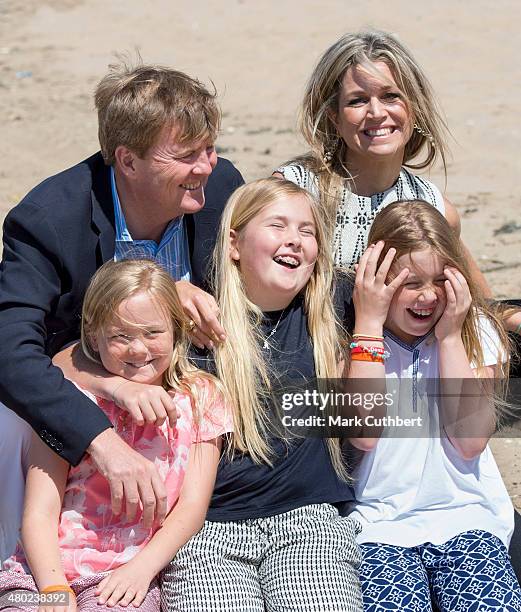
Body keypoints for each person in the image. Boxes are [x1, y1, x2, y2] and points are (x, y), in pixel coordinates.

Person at [0, 59, 243, 534]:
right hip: (92, 392)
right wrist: (101, 438)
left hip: (198, 400)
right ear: (128, 160)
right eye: (188, 154)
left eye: (210, 148)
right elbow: (10, 352)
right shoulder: (48, 219)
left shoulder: (222, 187)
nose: (205, 166)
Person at [155, 177, 362, 611]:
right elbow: (78, 354)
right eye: (277, 226)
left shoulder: (334, 306)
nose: (295, 241)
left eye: (308, 231)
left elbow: (426, 275)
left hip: (309, 521)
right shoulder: (195, 322)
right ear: (234, 243)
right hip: (208, 530)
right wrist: (167, 287)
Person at [0, 259, 233, 611]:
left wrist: (141, 570)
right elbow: (39, 512)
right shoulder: (69, 399)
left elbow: (191, 507)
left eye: (152, 333)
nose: (138, 350)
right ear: (95, 336)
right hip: (41, 571)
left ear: (176, 330)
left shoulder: (201, 399)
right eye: (121, 336)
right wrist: (53, 588)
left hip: (123, 576)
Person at [348, 200, 521, 611]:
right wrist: (369, 325)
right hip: (377, 525)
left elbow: (470, 441)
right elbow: (364, 434)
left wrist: (449, 338)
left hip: (467, 517)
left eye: (440, 279)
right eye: (410, 282)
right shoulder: (354, 337)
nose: (427, 295)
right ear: (377, 280)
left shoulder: (476, 331)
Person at [274, 29, 488, 291]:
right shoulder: (293, 191)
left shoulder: (435, 209)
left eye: (390, 96)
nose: (376, 112)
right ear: (334, 117)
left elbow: (481, 304)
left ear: (415, 107)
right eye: (358, 100)